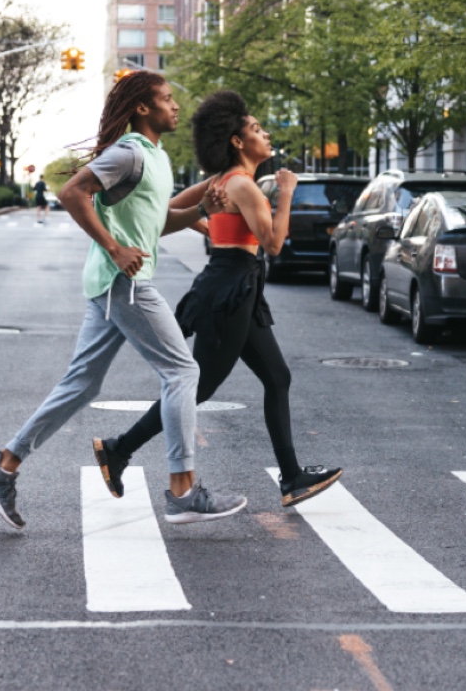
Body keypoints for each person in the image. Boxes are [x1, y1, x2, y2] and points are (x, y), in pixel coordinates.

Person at [0, 71, 247, 530]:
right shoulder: (128, 153)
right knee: (182, 370)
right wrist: (113, 247)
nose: (175, 107)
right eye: (166, 99)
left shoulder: (154, 158)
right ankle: (183, 490)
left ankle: (2, 465)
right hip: (125, 283)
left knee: (82, 384)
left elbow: (155, 222)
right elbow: (71, 192)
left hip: (112, 284)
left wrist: (201, 212)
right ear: (143, 108)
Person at [92, 90, 342, 508]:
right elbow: (274, 243)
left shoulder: (219, 181)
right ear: (238, 142)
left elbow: (165, 210)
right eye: (257, 129)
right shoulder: (241, 183)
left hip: (236, 284)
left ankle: (292, 477)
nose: (265, 135)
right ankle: (119, 448)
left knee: (277, 377)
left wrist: (205, 224)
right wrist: (286, 192)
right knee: (199, 387)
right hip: (230, 289)